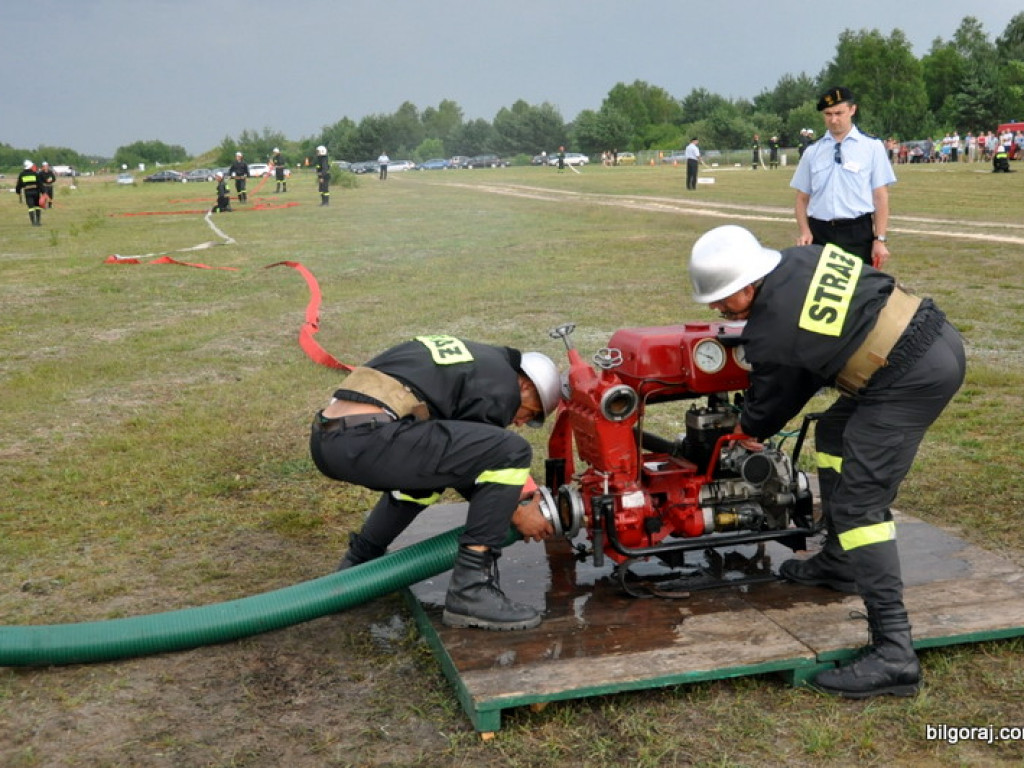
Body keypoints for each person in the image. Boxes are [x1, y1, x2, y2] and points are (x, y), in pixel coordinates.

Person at [688, 224, 965, 699]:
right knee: (835, 430)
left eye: (725, 298)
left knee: (862, 508)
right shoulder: (801, 258)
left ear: (750, 283)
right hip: (932, 337)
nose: (717, 308)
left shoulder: (774, 330)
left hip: (907, 378)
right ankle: (840, 562)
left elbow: (775, 403)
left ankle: (894, 653)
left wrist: (744, 428)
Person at [309, 335, 561, 631]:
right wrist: (518, 512)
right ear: (526, 386)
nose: (521, 422)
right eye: (530, 413)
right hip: (365, 439)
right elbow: (485, 463)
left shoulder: (476, 360)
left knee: (424, 482)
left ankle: (360, 563)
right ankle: (471, 591)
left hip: (330, 438)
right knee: (512, 450)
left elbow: (460, 456)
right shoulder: (502, 383)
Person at [791, 87, 895, 269]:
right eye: (828, 114)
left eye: (839, 113)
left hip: (857, 233)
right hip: (820, 234)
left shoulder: (872, 147)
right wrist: (805, 231)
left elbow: (880, 196)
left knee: (858, 292)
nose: (833, 120)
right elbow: (801, 198)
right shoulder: (812, 152)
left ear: (852, 110)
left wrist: (879, 239)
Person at [15, 160, 43, 226]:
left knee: (30, 207)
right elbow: (39, 184)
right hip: (36, 192)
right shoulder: (35, 173)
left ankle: (33, 223)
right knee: (37, 206)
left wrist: (18, 191)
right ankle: (38, 222)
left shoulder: (22, 174)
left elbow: (19, 184)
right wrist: (43, 192)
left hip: (28, 192)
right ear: (30, 166)